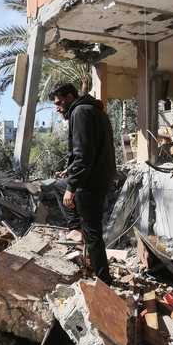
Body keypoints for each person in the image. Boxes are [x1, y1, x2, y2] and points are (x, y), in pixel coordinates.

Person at [50, 81, 117, 284]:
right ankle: (76, 229)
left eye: (59, 101)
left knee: (94, 236)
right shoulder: (94, 111)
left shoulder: (79, 113)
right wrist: (70, 171)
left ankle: (105, 283)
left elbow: (84, 154)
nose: (57, 106)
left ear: (70, 97)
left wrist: (73, 187)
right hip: (99, 177)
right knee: (58, 187)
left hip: (90, 184)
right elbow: (92, 150)